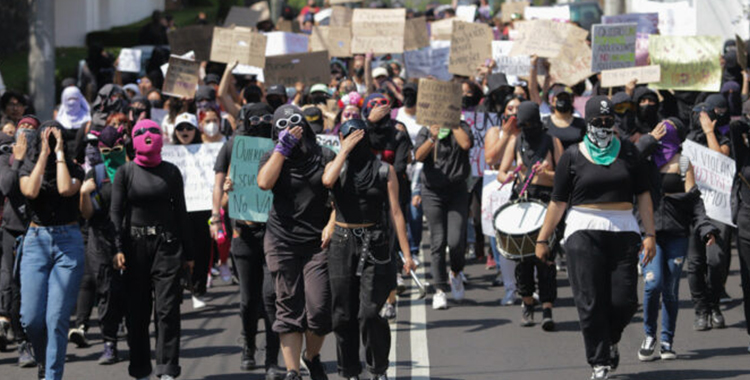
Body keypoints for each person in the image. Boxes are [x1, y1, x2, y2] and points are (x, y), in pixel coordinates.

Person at [535, 96, 656, 380]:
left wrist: (650, 234)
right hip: (582, 230)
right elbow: (557, 202)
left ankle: (609, 338)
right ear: (587, 122)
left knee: (624, 301)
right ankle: (599, 361)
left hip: (624, 229)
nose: (603, 126)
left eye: (608, 121)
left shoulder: (628, 152)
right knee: (590, 300)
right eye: (597, 122)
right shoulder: (572, 156)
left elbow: (644, 196)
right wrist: (543, 239)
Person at [322, 119, 416, 380]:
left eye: (358, 137)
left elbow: (396, 212)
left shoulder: (384, 170)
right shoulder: (336, 166)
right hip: (342, 241)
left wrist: (407, 255)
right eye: (347, 137)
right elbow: (327, 181)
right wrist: (343, 150)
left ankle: (378, 368)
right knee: (343, 314)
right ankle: (350, 370)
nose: (353, 142)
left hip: (374, 242)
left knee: (370, 313)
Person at [111, 119, 194, 380]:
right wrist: (117, 249)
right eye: (141, 133)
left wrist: (189, 254)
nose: (148, 136)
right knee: (137, 312)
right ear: (133, 139)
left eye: (153, 131)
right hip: (134, 249)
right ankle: (140, 369)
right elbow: (115, 212)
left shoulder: (171, 172)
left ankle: (167, 369)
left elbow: (181, 212)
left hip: (167, 247)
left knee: (167, 309)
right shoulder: (125, 172)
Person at [257, 105, 334, 380]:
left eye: (295, 122)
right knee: (288, 305)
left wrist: (331, 223)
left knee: (319, 308)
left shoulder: (324, 155)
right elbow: (264, 183)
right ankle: (292, 372)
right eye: (282, 125)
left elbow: (340, 194)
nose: (290, 128)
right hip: (281, 240)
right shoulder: (271, 156)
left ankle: (310, 356)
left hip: (317, 244)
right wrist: (282, 149)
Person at [637, 118, 718, 361]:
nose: (663, 133)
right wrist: (647, 141)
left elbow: (694, 200)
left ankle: (666, 341)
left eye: (668, 130)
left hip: (677, 234)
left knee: (671, 289)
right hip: (650, 234)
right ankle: (649, 335)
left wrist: (705, 228)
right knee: (653, 284)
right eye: (659, 129)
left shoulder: (684, 162)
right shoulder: (646, 160)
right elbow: (628, 161)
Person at [216, 103, 285, 379]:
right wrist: (228, 190)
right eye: (254, 118)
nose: (260, 122)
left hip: (272, 234)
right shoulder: (236, 149)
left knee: (271, 297)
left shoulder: (279, 152)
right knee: (248, 300)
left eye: (267, 118)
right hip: (243, 236)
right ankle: (248, 344)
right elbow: (223, 202)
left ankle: (271, 358)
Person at [19, 122, 86, 380]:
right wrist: (43, 154)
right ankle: (44, 361)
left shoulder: (74, 168)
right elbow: (30, 190)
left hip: (68, 243)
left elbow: (64, 188)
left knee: (56, 317)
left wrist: (59, 153)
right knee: (31, 318)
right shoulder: (27, 167)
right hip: (36, 241)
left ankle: (52, 376)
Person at [497, 101, 559, 330]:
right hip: (522, 203)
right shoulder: (516, 141)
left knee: (546, 258)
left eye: (531, 124)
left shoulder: (552, 141)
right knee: (523, 258)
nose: (528, 128)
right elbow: (501, 173)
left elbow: (564, 175)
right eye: (524, 125)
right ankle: (527, 303)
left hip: (545, 204)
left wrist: (547, 174)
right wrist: (514, 174)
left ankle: (548, 307)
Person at [71, 125, 129, 364]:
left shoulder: (133, 170)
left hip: (130, 238)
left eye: (116, 149)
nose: (110, 155)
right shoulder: (94, 173)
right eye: (105, 151)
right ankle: (109, 342)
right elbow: (86, 214)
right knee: (106, 292)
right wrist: (84, 194)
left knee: (132, 291)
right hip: (101, 239)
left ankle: (135, 334)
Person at [414, 112, 472, 310]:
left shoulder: (462, 127)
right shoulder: (426, 130)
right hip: (432, 193)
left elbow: (466, 145)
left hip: (457, 191)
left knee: (455, 241)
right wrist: (432, 137)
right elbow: (418, 156)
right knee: (437, 241)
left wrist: (452, 123)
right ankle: (440, 289)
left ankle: (456, 272)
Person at [0, 117, 38, 366]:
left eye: (32, 129)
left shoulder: (42, 159)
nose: (26, 132)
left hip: (39, 230)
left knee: (36, 290)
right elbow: (7, 186)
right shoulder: (6, 158)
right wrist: (19, 159)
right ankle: (22, 342)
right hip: (12, 231)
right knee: (13, 289)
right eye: (22, 128)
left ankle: (38, 340)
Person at [170, 113, 212, 309]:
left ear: (196, 130)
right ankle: (179, 288)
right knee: (178, 251)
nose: (184, 132)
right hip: (178, 211)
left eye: (188, 128)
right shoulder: (168, 153)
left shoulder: (208, 151)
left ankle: (198, 288)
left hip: (202, 209)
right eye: (180, 128)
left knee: (202, 249)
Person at [484, 97, 521, 303]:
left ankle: (527, 286)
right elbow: (491, 159)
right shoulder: (494, 132)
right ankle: (510, 287)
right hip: (500, 190)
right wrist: (506, 135)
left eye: (518, 108)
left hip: (524, 189)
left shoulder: (528, 134)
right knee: (504, 243)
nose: (514, 112)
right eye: (510, 108)